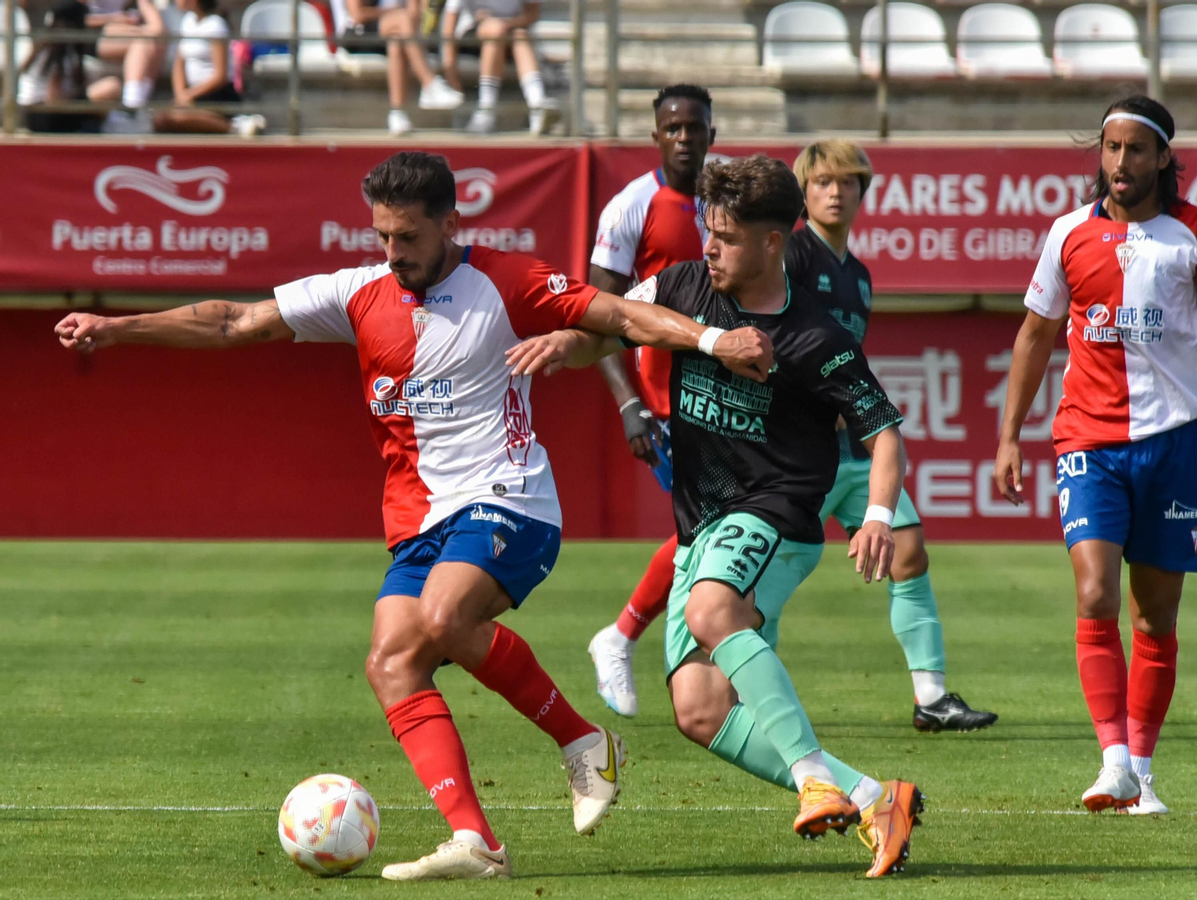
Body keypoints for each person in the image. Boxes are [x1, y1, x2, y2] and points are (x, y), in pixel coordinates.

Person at [54, 151, 773, 881]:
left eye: (408, 238)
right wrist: (117, 327)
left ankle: (587, 744)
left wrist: (714, 340)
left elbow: (618, 313)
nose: (393, 253)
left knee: (443, 617)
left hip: (509, 499)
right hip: (419, 523)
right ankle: (476, 842)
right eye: (383, 237)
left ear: (449, 224)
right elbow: (235, 321)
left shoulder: (507, 278)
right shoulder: (358, 291)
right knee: (392, 662)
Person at [513, 155, 924, 878]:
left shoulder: (816, 337)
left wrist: (880, 514)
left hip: (777, 515)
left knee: (710, 611)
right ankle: (872, 797)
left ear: (773, 242)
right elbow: (613, 326)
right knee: (699, 710)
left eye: (727, 237)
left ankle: (813, 779)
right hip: (704, 521)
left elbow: (882, 429)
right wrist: (566, 343)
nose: (709, 247)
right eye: (707, 231)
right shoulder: (681, 285)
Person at [993, 96, 1197, 816]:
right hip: (1089, 440)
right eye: (1110, 149)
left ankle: (1142, 770)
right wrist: (1010, 434)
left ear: (1163, 158)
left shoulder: (1195, 234)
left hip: (1173, 443)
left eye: (1135, 150)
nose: (1119, 163)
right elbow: (1033, 337)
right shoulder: (1068, 235)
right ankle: (1111, 760)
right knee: (1093, 594)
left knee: (1155, 617)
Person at [787, 139, 999, 733]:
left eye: (847, 183)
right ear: (804, 192)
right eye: (823, 182)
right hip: (795, 454)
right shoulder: (792, 257)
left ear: (862, 193)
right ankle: (733, 689)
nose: (835, 192)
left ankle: (931, 698)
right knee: (764, 575)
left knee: (907, 549)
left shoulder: (859, 276)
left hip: (852, 452)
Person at [584, 83, 716, 718]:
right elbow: (599, 315)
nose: (685, 136)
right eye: (673, 126)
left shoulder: (728, 200)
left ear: (712, 134)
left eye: (695, 126)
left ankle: (645, 643)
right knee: (704, 528)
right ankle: (632, 640)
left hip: (731, 393)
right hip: (666, 400)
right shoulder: (630, 207)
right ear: (656, 135)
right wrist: (628, 405)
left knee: (714, 528)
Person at [335, 0, 464, 135]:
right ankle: (429, 83)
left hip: (391, 31)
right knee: (402, 19)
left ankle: (397, 113)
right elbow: (357, 15)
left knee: (396, 42)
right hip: (358, 34)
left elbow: (414, 15)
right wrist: (393, 12)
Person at [151, 0, 264, 136]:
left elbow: (220, 75)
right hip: (193, 94)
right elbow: (179, 63)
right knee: (160, 120)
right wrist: (181, 94)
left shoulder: (216, 25)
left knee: (179, 117)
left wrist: (190, 94)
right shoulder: (187, 21)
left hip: (217, 94)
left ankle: (233, 127)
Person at [440, 0, 549, 134]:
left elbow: (533, 13)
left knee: (520, 35)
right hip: (473, 35)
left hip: (510, 30)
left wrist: (507, 23)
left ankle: (537, 105)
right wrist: (451, 74)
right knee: (495, 30)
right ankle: (486, 108)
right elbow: (450, 22)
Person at [19, 0, 110, 134]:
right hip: (42, 116)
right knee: (110, 88)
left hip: (36, 114)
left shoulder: (44, 46)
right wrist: (82, 98)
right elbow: (53, 101)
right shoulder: (56, 50)